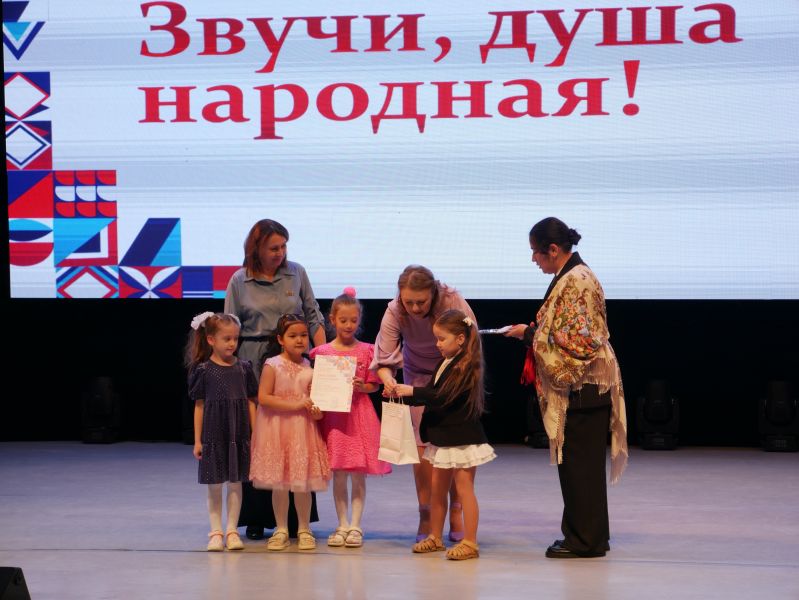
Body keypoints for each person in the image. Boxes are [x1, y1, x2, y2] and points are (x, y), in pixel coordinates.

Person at [505, 217, 628, 559]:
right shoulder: (572, 276)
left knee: (581, 468)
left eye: (536, 252)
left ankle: (585, 540)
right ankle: (586, 535)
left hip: (584, 386)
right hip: (584, 388)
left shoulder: (577, 279)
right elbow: (564, 330)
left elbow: (580, 341)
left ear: (553, 249)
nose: (533, 259)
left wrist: (529, 335)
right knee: (578, 467)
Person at [224, 219, 325, 540]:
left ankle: (297, 520)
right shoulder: (239, 280)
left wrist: (323, 358)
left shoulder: (297, 273)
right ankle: (257, 517)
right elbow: (230, 326)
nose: (280, 253)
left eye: (283, 247)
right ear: (256, 249)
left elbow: (313, 316)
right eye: (273, 248)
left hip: (294, 359)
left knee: (295, 436)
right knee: (262, 438)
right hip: (254, 361)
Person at [371, 265, 477, 543]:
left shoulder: (451, 301)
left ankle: (456, 510)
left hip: (453, 371)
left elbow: (472, 346)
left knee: (452, 443)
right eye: (410, 302)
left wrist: (458, 382)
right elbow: (383, 358)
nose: (415, 308)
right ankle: (426, 512)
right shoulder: (395, 311)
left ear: (433, 293)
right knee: (422, 445)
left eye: (421, 302)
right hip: (417, 372)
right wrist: (389, 381)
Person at [394, 309, 495, 561]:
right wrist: (399, 395)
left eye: (442, 339)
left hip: (461, 439)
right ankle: (435, 537)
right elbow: (430, 396)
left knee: (464, 489)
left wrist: (410, 390)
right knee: (437, 490)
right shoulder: (444, 363)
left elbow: (442, 397)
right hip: (442, 438)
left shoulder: (465, 366)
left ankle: (470, 542)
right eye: (436, 339)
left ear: (460, 339)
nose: (437, 344)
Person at [309, 288, 392, 549]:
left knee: (357, 474)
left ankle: (356, 525)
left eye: (353, 320)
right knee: (339, 473)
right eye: (343, 320)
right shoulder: (322, 352)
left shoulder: (367, 351)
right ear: (332, 319)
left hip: (359, 416)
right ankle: (342, 524)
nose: (348, 325)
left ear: (359, 320)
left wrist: (362, 386)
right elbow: (317, 386)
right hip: (334, 418)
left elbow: (374, 385)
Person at [249, 314, 331, 551]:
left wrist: (317, 412)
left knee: (301, 483)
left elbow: (317, 406)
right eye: (293, 335)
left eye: (303, 335)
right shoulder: (272, 364)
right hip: (276, 430)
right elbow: (264, 398)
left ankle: (304, 528)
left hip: (302, 430)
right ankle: (281, 528)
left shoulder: (310, 368)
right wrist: (295, 404)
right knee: (280, 483)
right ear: (280, 339)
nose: (299, 340)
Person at [185, 312, 258, 552]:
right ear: (211, 340)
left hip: (238, 434)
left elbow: (251, 402)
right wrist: (198, 441)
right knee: (214, 484)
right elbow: (199, 406)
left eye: (235, 338)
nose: (232, 343)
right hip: (213, 434)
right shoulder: (204, 370)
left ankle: (232, 530)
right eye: (227, 339)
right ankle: (216, 531)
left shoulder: (244, 368)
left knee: (236, 483)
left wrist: (255, 434)